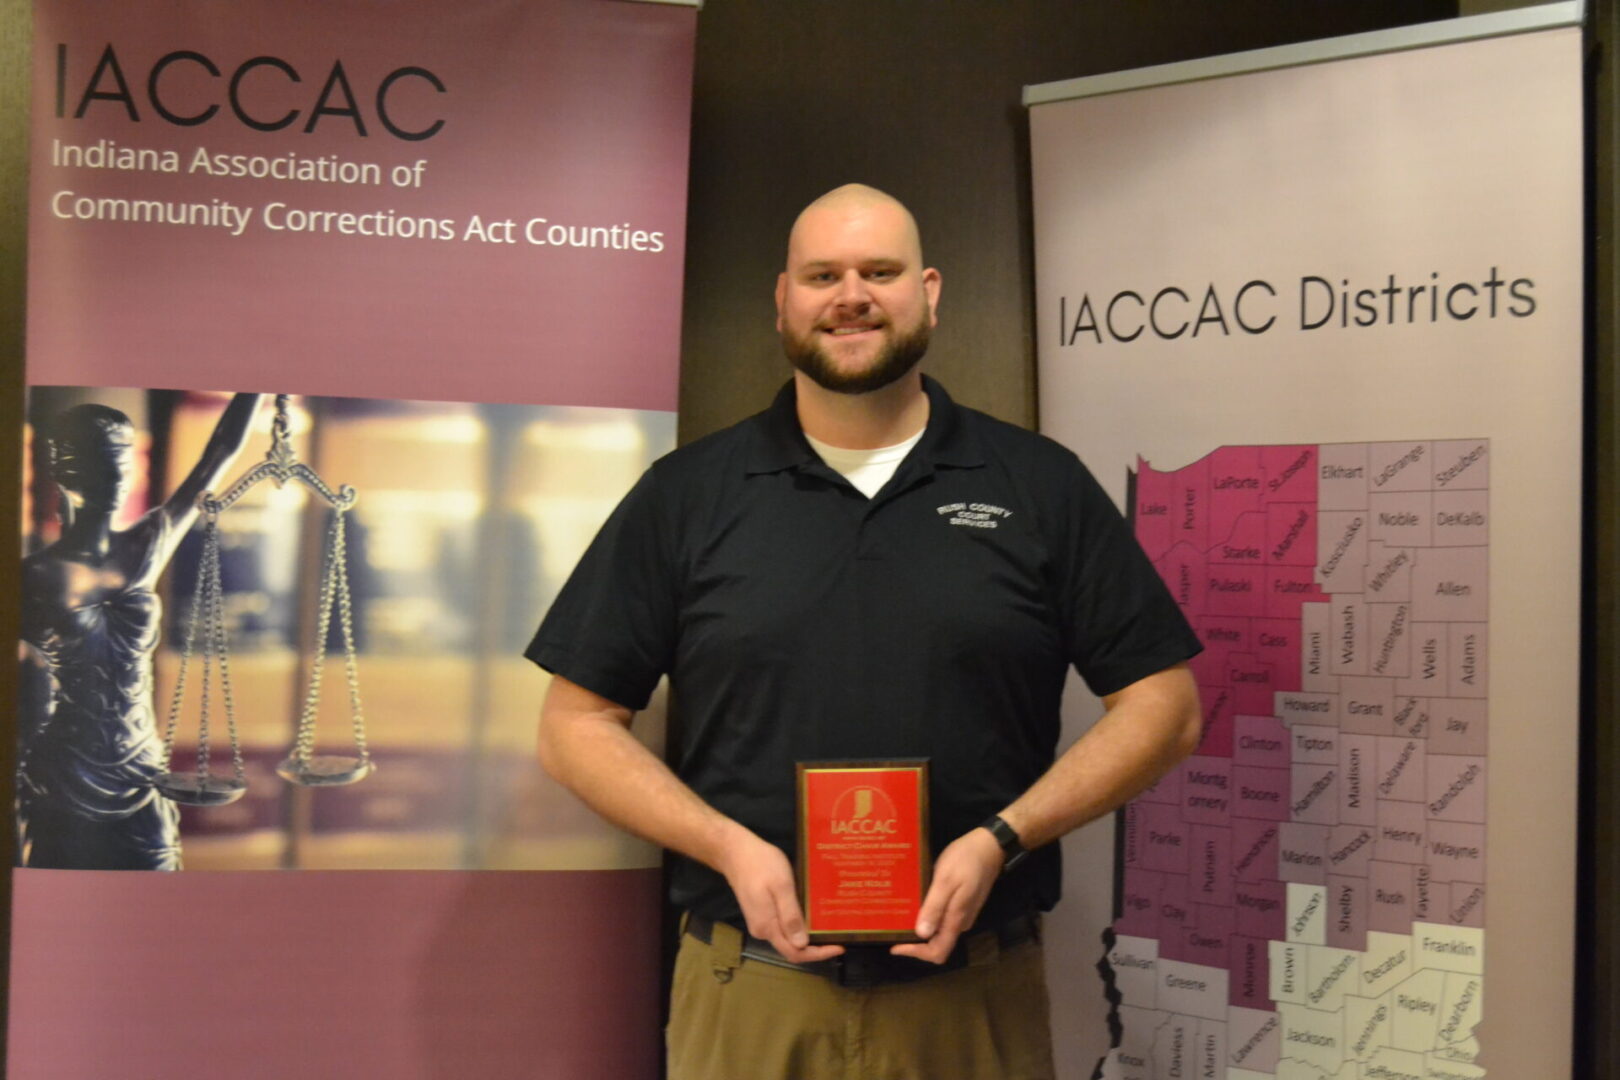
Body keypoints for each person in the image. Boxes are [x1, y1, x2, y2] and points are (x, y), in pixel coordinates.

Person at [529, 185, 1202, 1078]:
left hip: (970, 1000)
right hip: (749, 994)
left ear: (928, 291)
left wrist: (1003, 837)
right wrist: (726, 845)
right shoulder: (688, 495)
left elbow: (1166, 705)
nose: (851, 295)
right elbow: (572, 725)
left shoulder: (1039, 484)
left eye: (879, 272)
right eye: (823, 275)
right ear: (783, 299)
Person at [18, 392, 264, 870]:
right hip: (66, 770)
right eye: (102, 463)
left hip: (141, 768)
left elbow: (221, 452)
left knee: (157, 875)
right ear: (68, 473)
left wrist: (258, 387)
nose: (117, 476)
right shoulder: (34, 576)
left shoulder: (149, 544)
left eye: (123, 462)